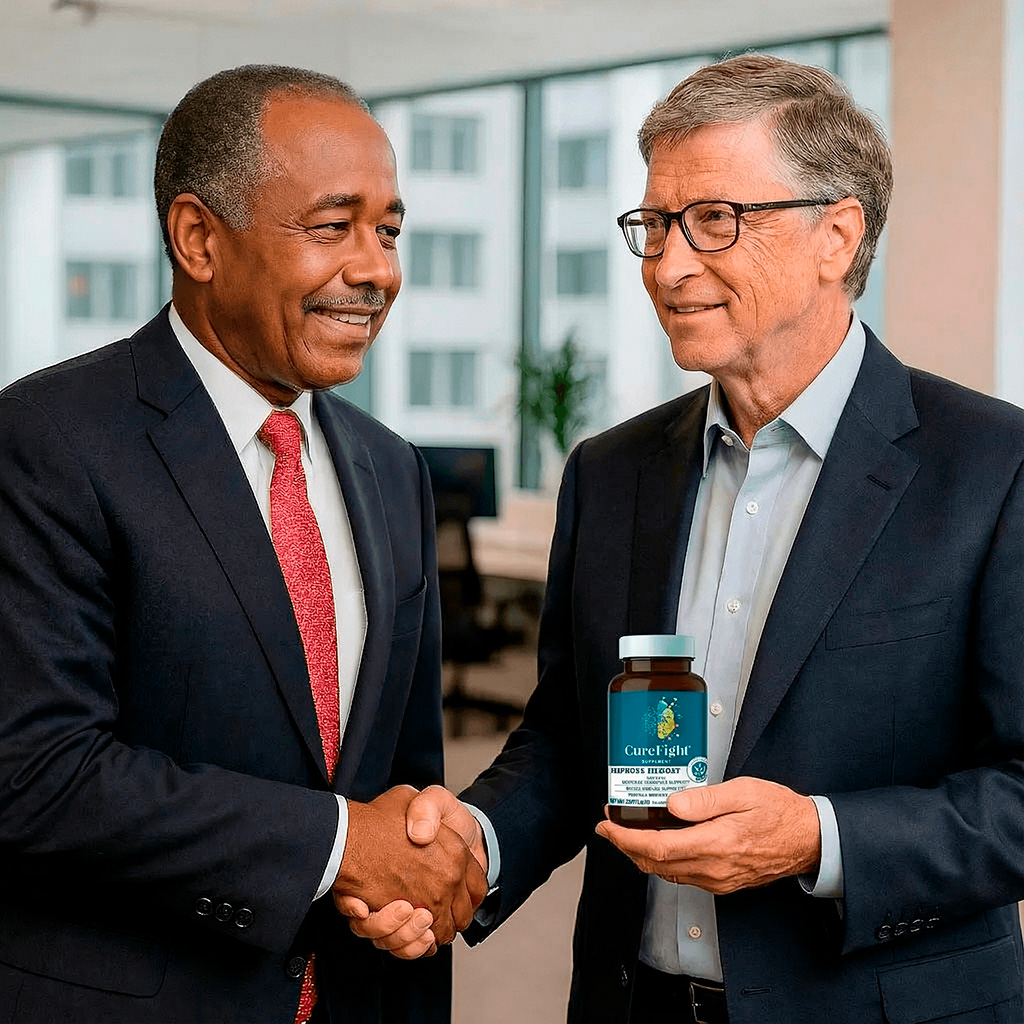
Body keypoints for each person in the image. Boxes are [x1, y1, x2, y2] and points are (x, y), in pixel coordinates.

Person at [343, 54, 1024, 1023]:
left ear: (836, 236)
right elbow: (568, 741)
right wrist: (471, 846)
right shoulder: (611, 471)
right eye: (656, 224)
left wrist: (818, 838)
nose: (667, 266)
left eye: (715, 220)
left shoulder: (993, 467)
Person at [0, 65, 486, 1024]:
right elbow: (35, 773)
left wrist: (418, 861)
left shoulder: (392, 469)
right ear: (199, 239)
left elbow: (404, 779)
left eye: (389, 231)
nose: (378, 270)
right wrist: (339, 845)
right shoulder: (47, 441)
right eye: (333, 226)